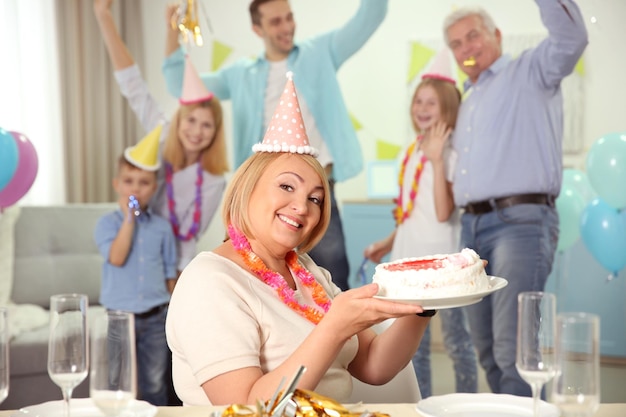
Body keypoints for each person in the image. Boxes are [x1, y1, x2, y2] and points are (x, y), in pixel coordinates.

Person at [165, 73, 433, 406]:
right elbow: (245, 410)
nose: (302, 207)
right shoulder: (209, 282)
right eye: (287, 186)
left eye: (316, 199)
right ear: (248, 189)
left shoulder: (309, 273)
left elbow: (374, 365)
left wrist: (425, 305)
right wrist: (333, 328)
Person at [161, 0, 389, 291]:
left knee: (334, 274)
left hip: (319, 188)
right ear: (257, 29)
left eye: (289, 18)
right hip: (263, 196)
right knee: (260, 278)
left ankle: (344, 334)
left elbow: (372, 15)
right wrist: (171, 29)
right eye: (275, 22)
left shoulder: (320, 52)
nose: (287, 27)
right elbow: (177, 82)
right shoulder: (241, 74)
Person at [443, 1, 588, 396]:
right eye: (456, 43)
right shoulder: (465, 101)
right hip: (471, 228)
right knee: (486, 350)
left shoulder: (529, 70)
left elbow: (573, 37)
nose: (466, 47)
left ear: (496, 36)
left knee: (513, 351)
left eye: (473, 35)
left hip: (519, 224)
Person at [363, 62, 477, 398]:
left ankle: (466, 403)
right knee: (414, 346)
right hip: (408, 261)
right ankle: (421, 404)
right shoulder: (408, 151)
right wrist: (386, 244)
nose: (422, 109)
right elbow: (410, 212)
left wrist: (439, 159)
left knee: (457, 342)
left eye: (431, 103)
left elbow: (443, 213)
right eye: (418, 101)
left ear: (448, 108)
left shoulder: (454, 154)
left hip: (445, 267)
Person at [94, 0, 228, 276]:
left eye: (207, 125)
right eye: (191, 120)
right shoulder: (162, 136)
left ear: (215, 133)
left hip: (168, 265)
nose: (196, 131)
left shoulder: (213, 180)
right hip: (129, 245)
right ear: (179, 120)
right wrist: (103, 16)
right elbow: (132, 85)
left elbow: (190, 236)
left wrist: (176, 280)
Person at [94, 150, 178, 406]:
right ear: (117, 185)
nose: (136, 188)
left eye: (144, 183)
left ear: (154, 188)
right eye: (129, 181)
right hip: (118, 318)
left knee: (154, 383)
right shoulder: (106, 224)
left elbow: (169, 274)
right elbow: (117, 257)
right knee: (117, 383)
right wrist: (129, 219)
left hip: (155, 317)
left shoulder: (162, 228)